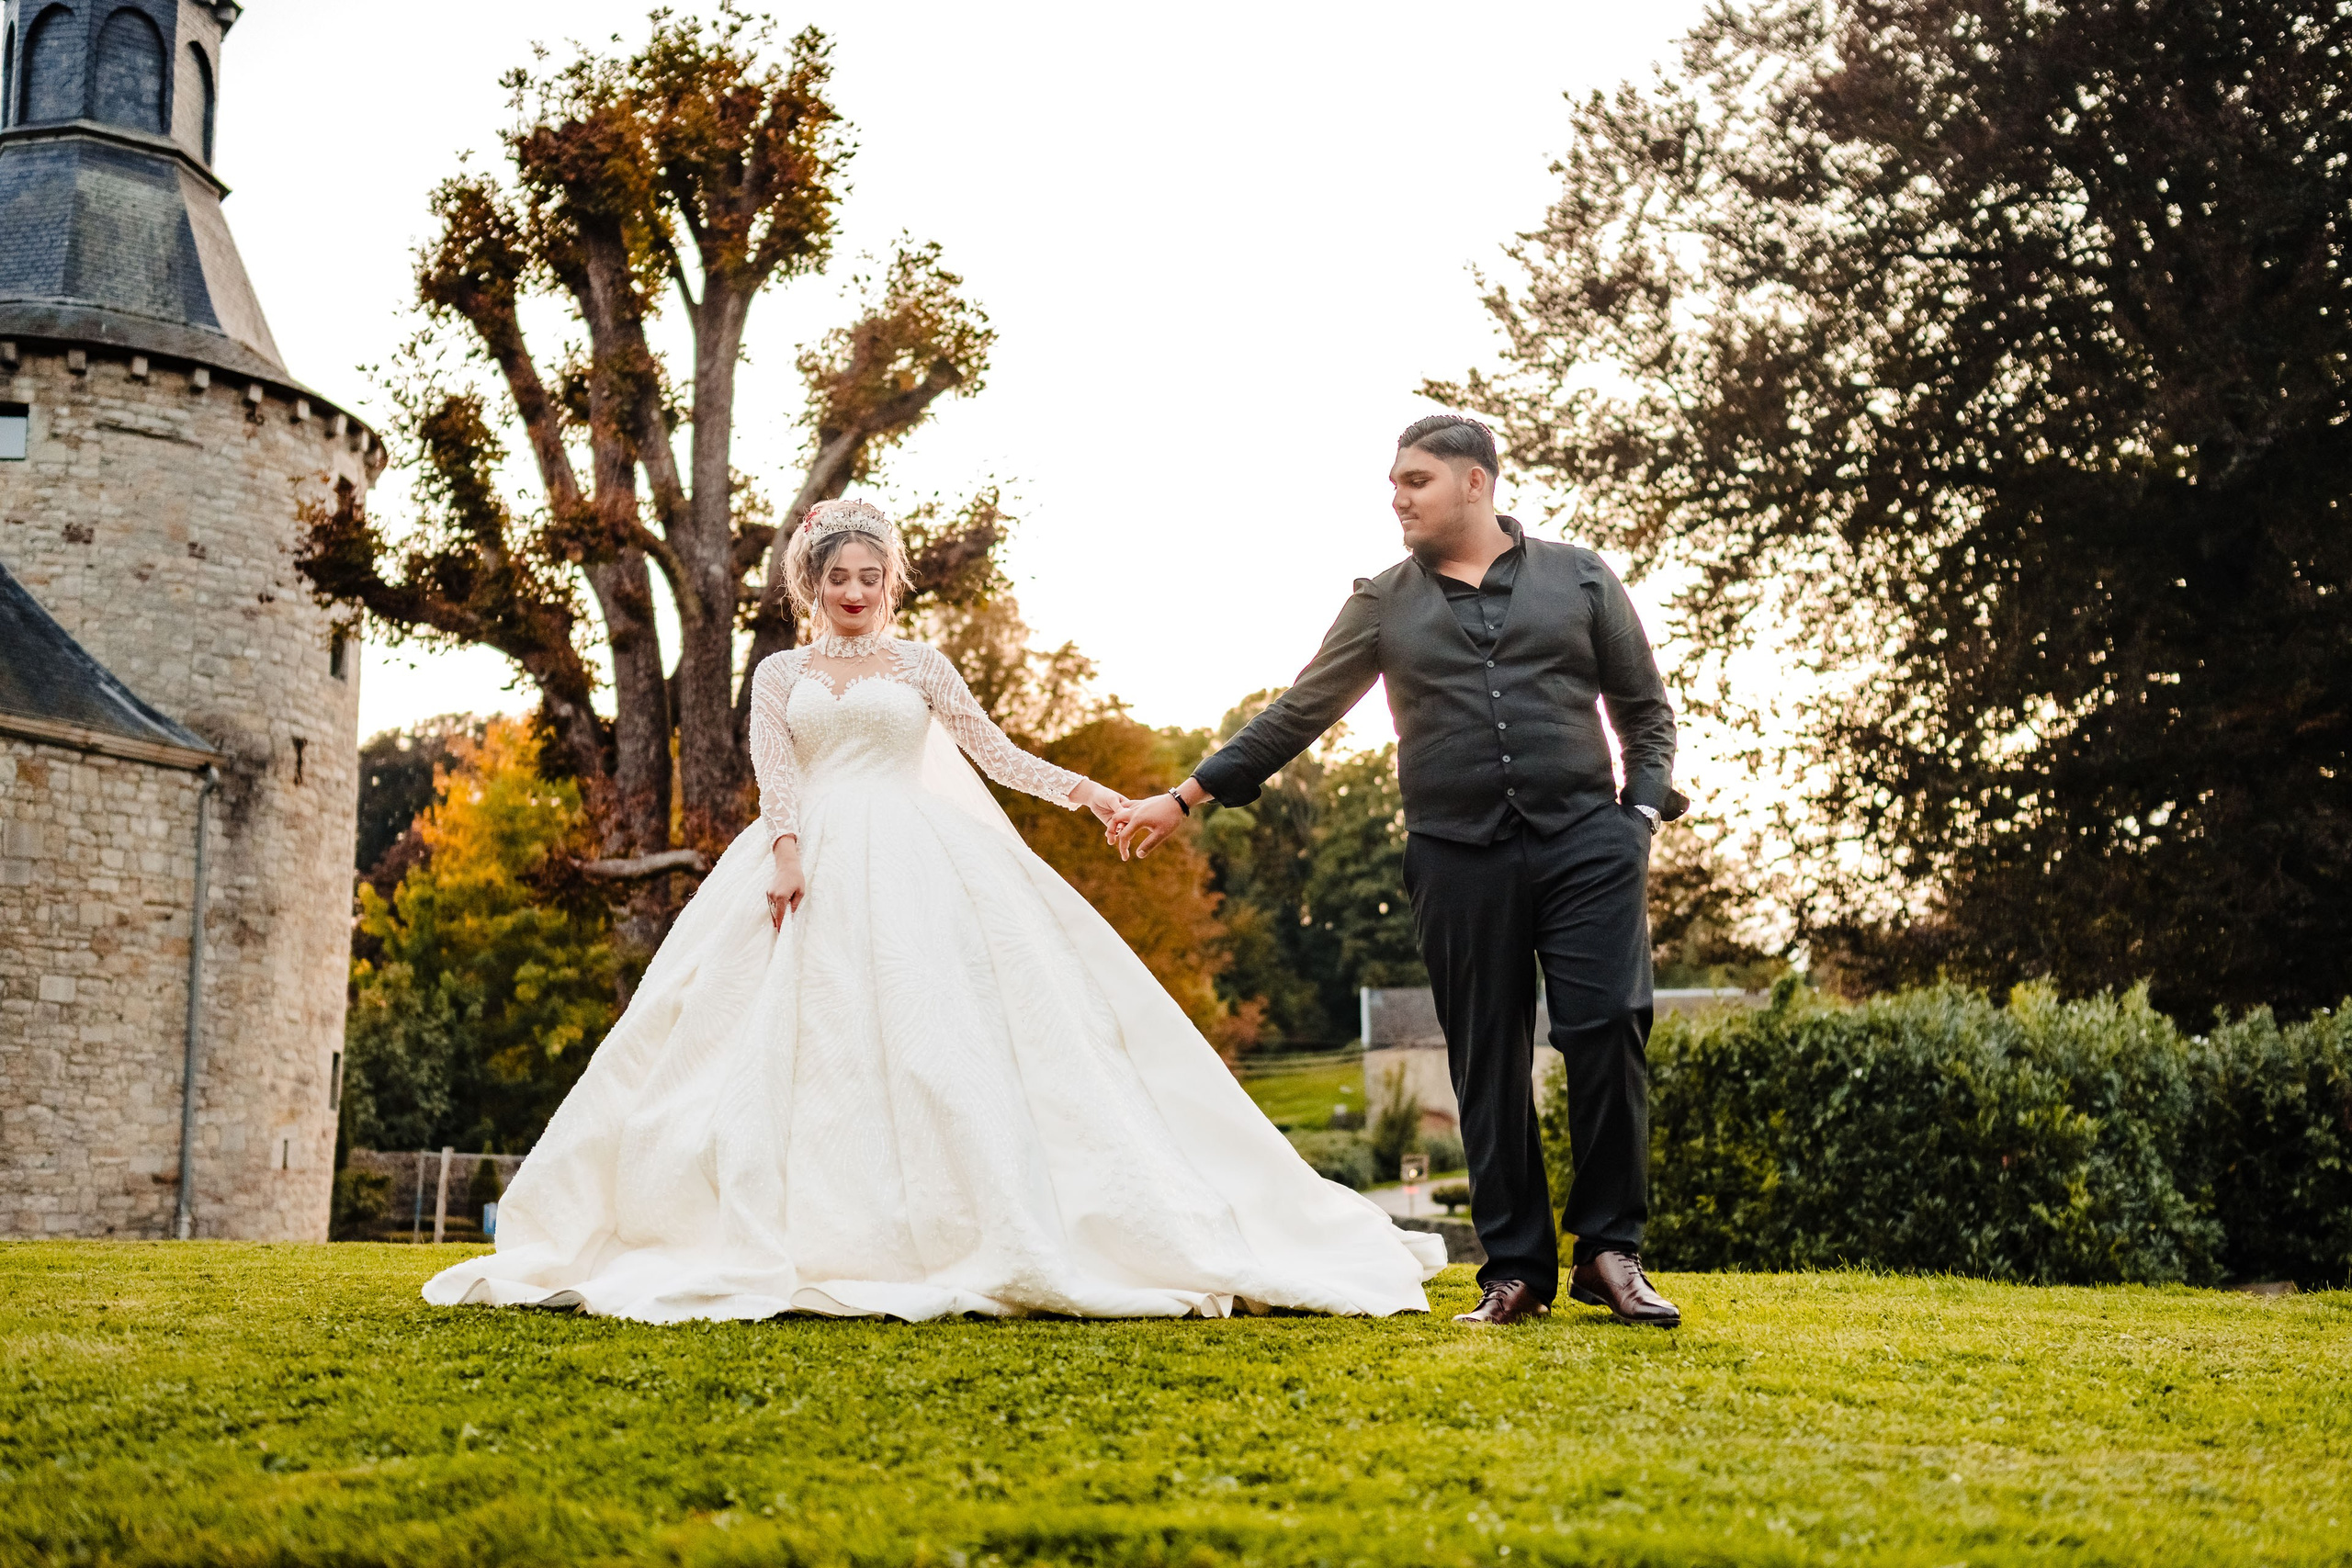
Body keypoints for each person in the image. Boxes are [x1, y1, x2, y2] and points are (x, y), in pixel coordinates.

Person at [421, 499, 1444, 1323]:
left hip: (920, 859)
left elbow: (994, 756)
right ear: (810, 588)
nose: (854, 592)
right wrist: (782, 857)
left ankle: (964, 1218)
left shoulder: (922, 667)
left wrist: (1088, 793)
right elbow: (772, 770)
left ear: (890, 582)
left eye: (870, 577)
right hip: (808, 854)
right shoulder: (780, 672)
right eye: (837, 579)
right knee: (764, 1043)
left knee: (941, 1038)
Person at [1112, 416, 1686, 1328]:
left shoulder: (1578, 576)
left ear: (1474, 483)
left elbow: (1645, 709)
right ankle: (1516, 1273)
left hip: (1587, 841)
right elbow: (1298, 710)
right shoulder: (1382, 601)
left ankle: (1611, 1253)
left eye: (1414, 480)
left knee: (1608, 1025)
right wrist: (1184, 797)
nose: (1397, 498)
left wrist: (1641, 813)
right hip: (1456, 853)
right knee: (1485, 1055)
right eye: (1392, 483)